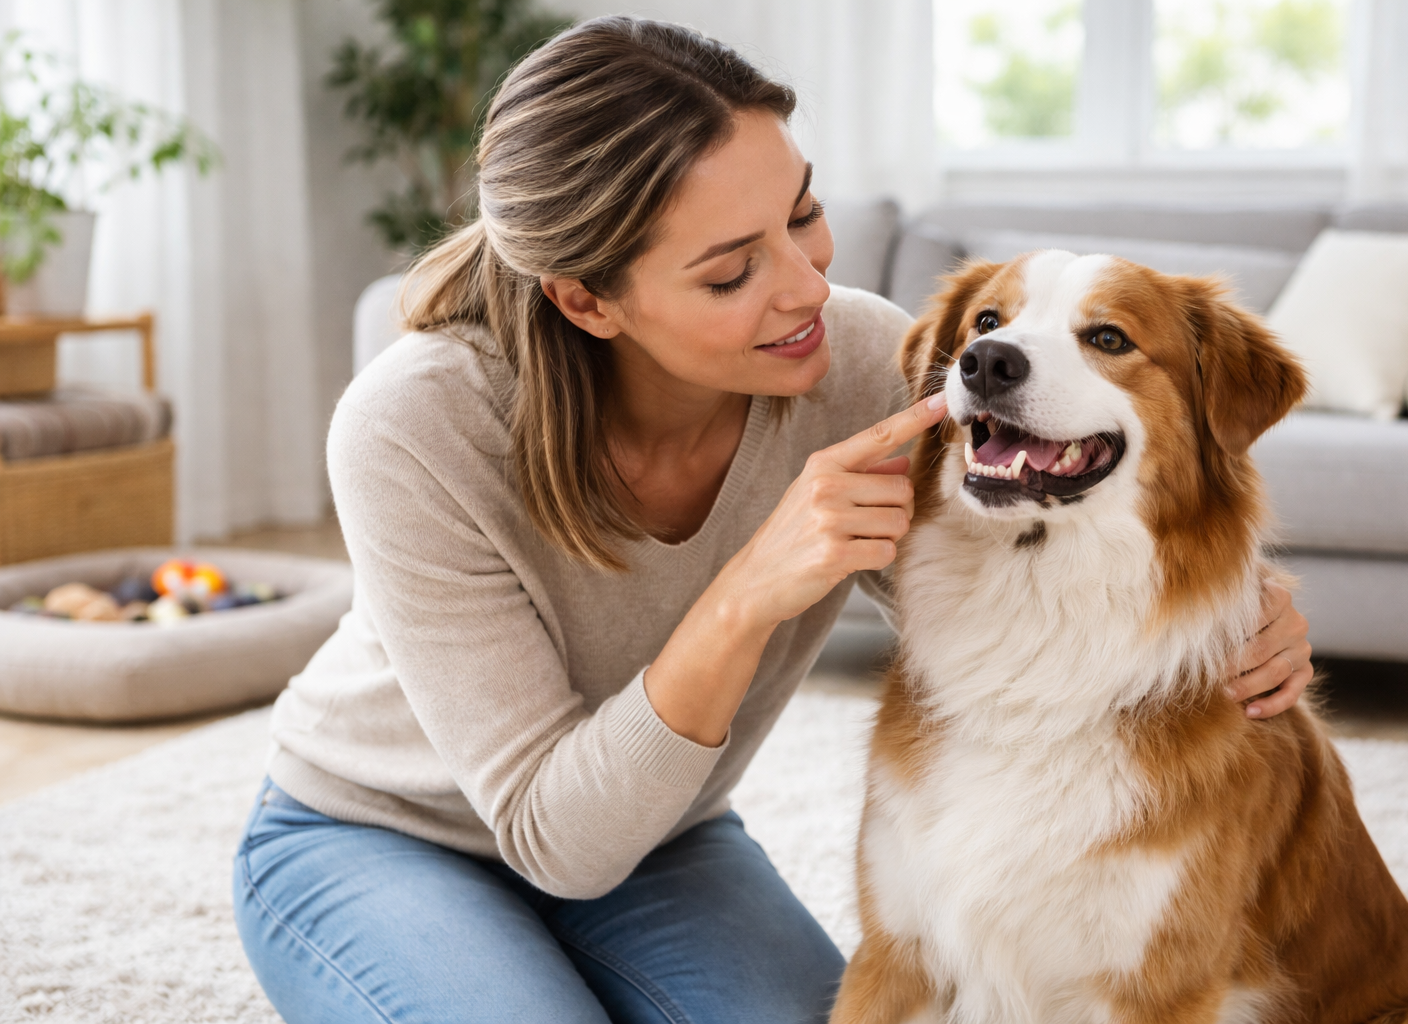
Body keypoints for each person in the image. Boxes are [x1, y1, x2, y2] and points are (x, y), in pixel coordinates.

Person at [232, 16, 1315, 1024]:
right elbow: (554, 837)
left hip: (654, 831)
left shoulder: (854, 362)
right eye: (732, 270)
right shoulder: (414, 422)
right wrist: (750, 586)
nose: (806, 287)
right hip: (374, 832)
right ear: (586, 299)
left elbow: (1040, 565)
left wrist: (1247, 613)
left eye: (801, 213)